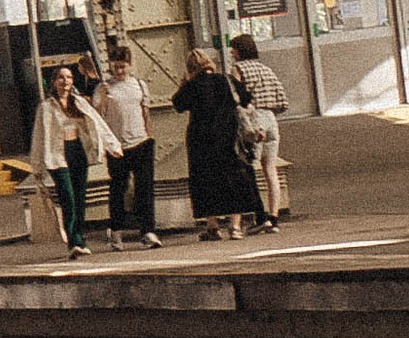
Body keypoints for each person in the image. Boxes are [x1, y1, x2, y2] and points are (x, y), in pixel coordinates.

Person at [173, 43, 265, 239]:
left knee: (205, 182)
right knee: (232, 179)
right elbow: (240, 100)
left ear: (190, 69)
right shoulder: (224, 80)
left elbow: (178, 104)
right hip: (227, 135)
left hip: (200, 138)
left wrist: (184, 83)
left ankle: (213, 226)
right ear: (209, 63)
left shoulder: (192, 85)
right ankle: (235, 226)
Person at [31, 59, 117, 256]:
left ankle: (79, 238)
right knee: (68, 198)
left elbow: (98, 123)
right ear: (54, 82)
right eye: (61, 78)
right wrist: (36, 166)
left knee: (79, 197)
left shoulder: (78, 102)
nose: (65, 81)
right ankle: (73, 242)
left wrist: (113, 145)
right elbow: (38, 136)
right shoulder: (46, 107)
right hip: (57, 156)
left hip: (77, 151)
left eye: (69, 77)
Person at [225, 28, 288, 225]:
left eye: (233, 49)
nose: (232, 53)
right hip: (270, 119)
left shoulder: (238, 69)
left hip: (252, 120)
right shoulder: (266, 69)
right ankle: (274, 216)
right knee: (270, 169)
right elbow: (283, 99)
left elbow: (235, 97)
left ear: (239, 51)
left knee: (249, 169)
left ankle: (258, 215)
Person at [100, 47, 157, 244]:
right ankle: (116, 229)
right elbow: (99, 115)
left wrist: (150, 135)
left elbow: (145, 112)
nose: (119, 71)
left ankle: (148, 230)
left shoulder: (139, 85)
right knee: (118, 188)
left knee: (145, 188)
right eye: (115, 67)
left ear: (129, 65)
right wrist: (103, 97)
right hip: (117, 145)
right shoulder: (105, 88)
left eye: (122, 67)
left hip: (141, 141)